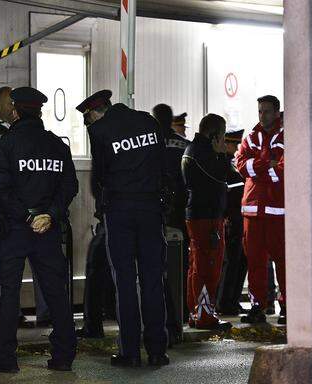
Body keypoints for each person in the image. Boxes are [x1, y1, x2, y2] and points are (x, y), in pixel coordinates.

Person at [0, 87, 78, 373]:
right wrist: (49, 215)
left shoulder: (7, 143)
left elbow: (0, 190)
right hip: (47, 230)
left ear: (15, 111)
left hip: (16, 230)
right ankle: (63, 356)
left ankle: (6, 359)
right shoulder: (57, 145)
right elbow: (69, 186)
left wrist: (27, 218)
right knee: (56, 292)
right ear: (39, 111)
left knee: (9, 293)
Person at [88, 94, 169, 367]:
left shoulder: (99, 131)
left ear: (94, 113)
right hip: (150, 208)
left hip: (120, 211)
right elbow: (162, 164)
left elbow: (97, 177)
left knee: (124, 282)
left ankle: (130, 352)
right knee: (152, 280)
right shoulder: (148, 121)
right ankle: (158, 350)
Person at [0, 86, 50, 328]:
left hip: (32, 214)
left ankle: (45, 313)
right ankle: (11, 318)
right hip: (12, 216)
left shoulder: (24, 136)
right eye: (9, 104)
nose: (13, 108)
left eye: (15, 104)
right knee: (10, 275)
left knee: (42, 269)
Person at [235, 95, 286, 325]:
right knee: (254, 261)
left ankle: (287, 306)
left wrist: (256, 168)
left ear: (277, 113)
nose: (262, 115)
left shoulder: (286, 136)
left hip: (276, 211)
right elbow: (240, 166)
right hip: (252, 211)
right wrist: (267, 164)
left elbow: (284, 170)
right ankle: (258, 306)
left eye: (267, 111)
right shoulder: (251, 137)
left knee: (283, 261)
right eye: (260, 111)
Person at [181, 114, 232, 330]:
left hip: (198, 215)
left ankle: (197, 311)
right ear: (214, 135)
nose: (224, 141)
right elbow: (223, 175)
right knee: (208, 267)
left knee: (197, 265)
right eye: (222, 137)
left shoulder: (192, 150)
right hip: (207, 218)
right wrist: (223, 155)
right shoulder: (204, 153)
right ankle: (204, 315)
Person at [74, 90, 117, 339]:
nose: (86, 124)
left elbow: (100, 176)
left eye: (87, 117)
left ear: (96, 112)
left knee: (95, 263)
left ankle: (93, 325)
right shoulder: (119, 130)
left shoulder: (103, 134)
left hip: (112, 214)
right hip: (118, 212)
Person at [153, 104, 190, 327]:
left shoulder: (149, 143)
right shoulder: (184, 144)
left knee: (156, 263)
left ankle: (165, 313)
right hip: (179, 210)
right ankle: (181, 308)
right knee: (181, 262)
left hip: (157, 210)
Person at [215, 129, 248, 316]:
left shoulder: (232, 166)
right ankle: (225, 302)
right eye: (232, 144)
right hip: (231, 222)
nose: (235, 148)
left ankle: (231, 300)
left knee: (239, 262)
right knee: (231, 263)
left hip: (238, 220)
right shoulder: (223, 167)